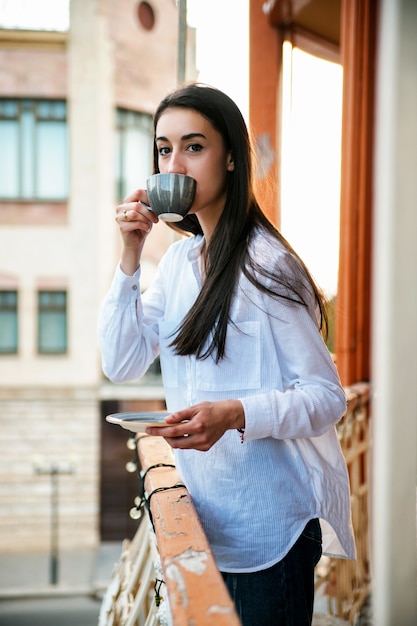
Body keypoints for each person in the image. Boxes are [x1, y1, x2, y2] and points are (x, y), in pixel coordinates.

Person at [98, 83, 355, 626]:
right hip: (202, 522)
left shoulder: (267, 264)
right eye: (164, 150)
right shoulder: (180, 261)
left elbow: (327, 398)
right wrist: (129, 252)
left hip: (269, 538)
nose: (176, 164)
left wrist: (235, 413)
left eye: (194, 146)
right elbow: (120, 363)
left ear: (232, 157)